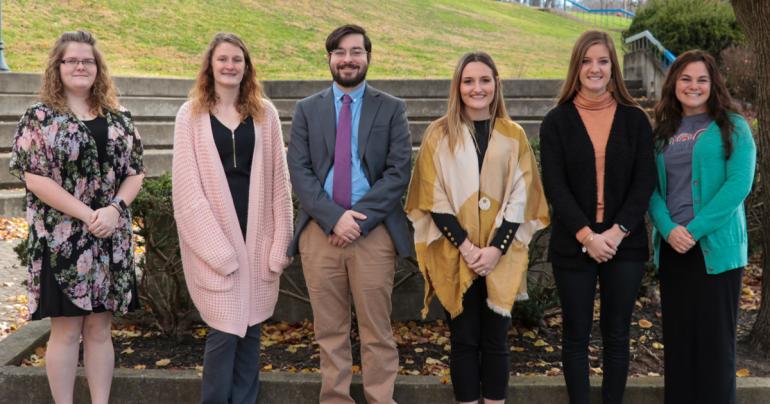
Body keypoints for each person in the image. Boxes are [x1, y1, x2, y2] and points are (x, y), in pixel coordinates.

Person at [9, 30, 144, 404]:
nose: (81, 66)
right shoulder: (39, 117)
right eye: (72, 60)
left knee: (101, 329)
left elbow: (135, 171)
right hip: (61, 240)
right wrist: (89, 214)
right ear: (58, 66)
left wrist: (115, 210)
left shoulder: (119, 118)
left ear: (98, 68)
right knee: (66, 331)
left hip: (109, 237)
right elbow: (33, 176)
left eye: (88, 60)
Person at [405, 51, 549, 404]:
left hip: (501, 254)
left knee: (497, 340)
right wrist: (469, 249)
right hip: (456, 253)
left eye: (485, 80)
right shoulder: (439, 134)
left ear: (496, 84)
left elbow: (522, 194)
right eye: (468, 81)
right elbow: (431, 195)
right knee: (464, 340)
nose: (477, 88)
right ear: (458, 86)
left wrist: (495, 249)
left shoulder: (512, 134)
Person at [286, 24, 413, 404]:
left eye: (356, 52)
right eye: (340, 52)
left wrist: (356, 219)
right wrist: (333, 217)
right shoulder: (307, 110)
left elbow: (398, 172)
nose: (348, 59)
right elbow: (301, 171)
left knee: (377, 329)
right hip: (319, 232)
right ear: (329, 59)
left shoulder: (391, 108)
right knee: (329, 330)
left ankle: (380, 398)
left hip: (372, 233)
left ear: (368, 58)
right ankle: (335, 399)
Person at [172, 32, 293, 404]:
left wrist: (280, 245)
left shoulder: (265, 113)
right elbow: (186, 191)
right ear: (211, 65)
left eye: (237, 60)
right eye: (223, 59)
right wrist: (218, 251)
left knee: (252, 331)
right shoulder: (190, 116)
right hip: (215, 243)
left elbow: (280, 183)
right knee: (224, 333)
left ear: (247, 66)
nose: (230, 66)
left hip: (257, 236)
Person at [538, 30, 655, 404]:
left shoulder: (635, 120)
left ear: (613, 67)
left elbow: (645, 182)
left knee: (618, 333)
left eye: (602, 61)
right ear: (577, 67)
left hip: (627, 243)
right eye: (587, 61)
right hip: (574, 244)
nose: (595, 68)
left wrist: (618, 232)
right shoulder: (556, 121)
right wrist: (588, 236)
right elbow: (555, 187)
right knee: (575, 333)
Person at [648, 50, 756, 404]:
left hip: (716, 251)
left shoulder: (733, 126)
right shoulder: (663, 131)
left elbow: (738, 186)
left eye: (701, 80)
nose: (693, 86)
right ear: (674, 83)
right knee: (679, 347)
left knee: (715, 347)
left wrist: (693, 230)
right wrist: (667, 228)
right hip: (674, 249)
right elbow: (650, 188)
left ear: (713, 85)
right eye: (686, 79)